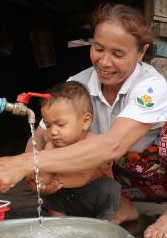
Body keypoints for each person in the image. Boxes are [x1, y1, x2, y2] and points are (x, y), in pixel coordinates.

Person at [0, 3, 167, 238]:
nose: (104, 62)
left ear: (141, 52)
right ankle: (120, 204)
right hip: (110, 177)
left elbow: (113, 145)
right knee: (60, 138)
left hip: (159, 176)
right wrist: (35, 173)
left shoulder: (150, 85)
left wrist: (23, 163)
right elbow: (41, 135)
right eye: (98, 48)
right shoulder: (79, 83)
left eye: (118, 54)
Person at [29, 81, 121, 220]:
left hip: (94, 197)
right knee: (49, 193)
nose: (53, 132)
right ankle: (59, 218)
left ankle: (105, 221)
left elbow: (84, 175)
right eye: (48, 125)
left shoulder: (95, 143)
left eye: (60, 124)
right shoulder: (51, 146)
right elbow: (45, 172)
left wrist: (56, 181)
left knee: (110, 188)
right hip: (68, 198)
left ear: (85, 121)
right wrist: (43, 185)